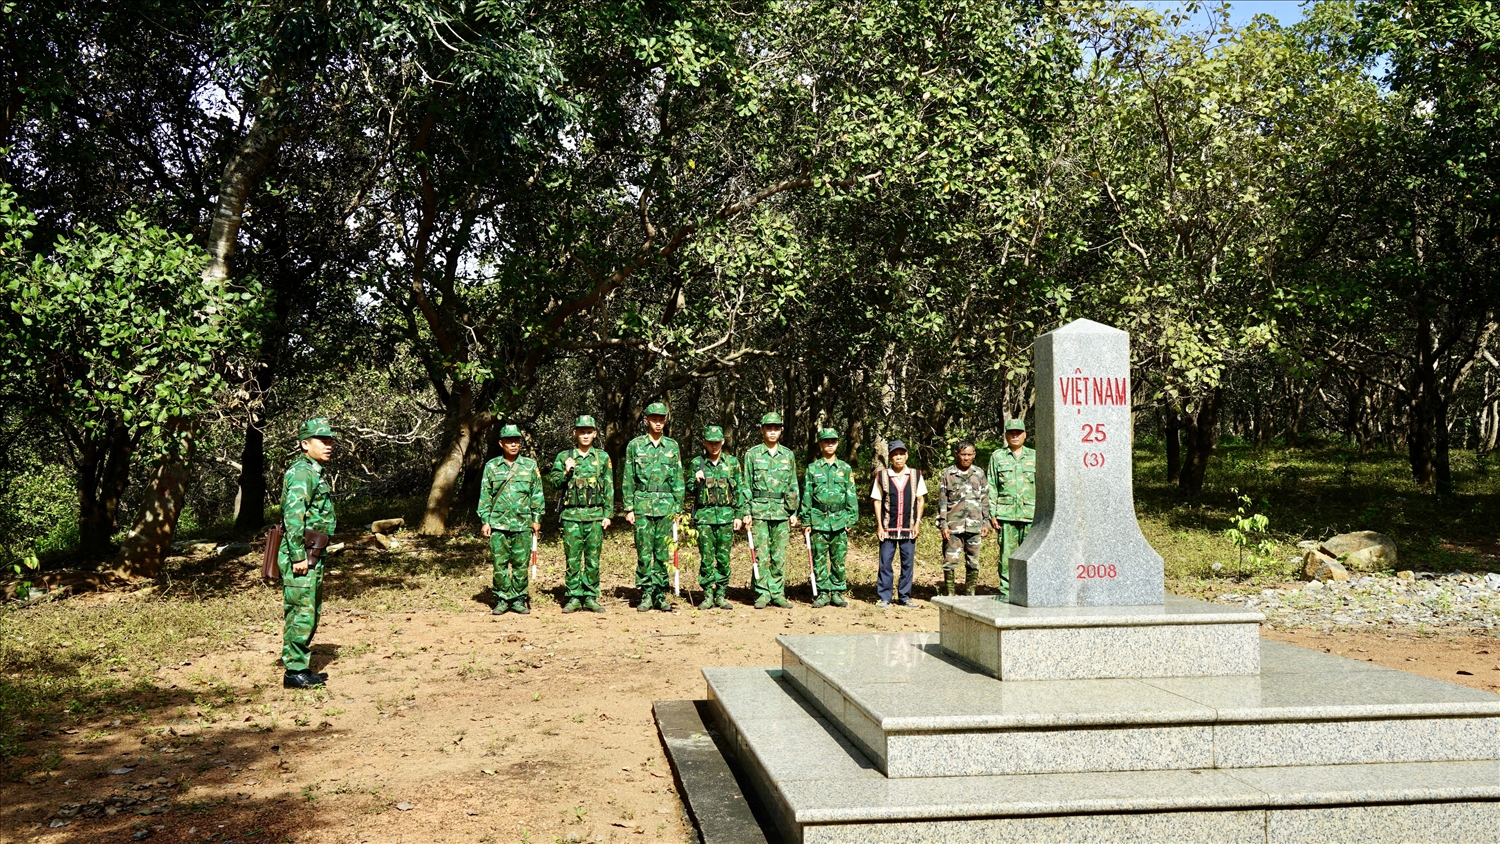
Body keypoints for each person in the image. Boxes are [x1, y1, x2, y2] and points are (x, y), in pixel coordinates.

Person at [278, 417, 338, 689]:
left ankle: (300, 666)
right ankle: (294, 671)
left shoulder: (313, 471)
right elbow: (293, 517)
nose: (328, 445)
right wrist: (298, 555)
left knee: (309, 610)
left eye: (330, 440)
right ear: (305, 444)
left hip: (313, 551)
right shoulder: (302, 472)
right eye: (321, 440)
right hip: (302, 552)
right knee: (301, 611)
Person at [623, 402, 684, 612]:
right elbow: (628, 477)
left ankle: (659, 594)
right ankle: (646, 593)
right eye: (654, 419)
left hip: (665, 505)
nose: (658, 423)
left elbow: (678, 478)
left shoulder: (672, 446)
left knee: (662, 553)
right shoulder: (635, 445)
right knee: (643, 552)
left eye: (661, 419)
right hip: (642, 504)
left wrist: (678, 508)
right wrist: (629, 508)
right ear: (646, 420)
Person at [478, 425, 545, 615]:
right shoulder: (492, 466)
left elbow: (537, 494)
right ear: (501, 443)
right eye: (509, 441)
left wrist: (536, 518)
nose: (513, 444)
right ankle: (501, 598)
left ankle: (518, 598)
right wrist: (485, 520)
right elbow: (486, 496)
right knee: (500, 564)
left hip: (522, 523)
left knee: (520, 563)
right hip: (498, 523)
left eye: (516, 440)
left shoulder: (530, 465)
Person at [550, 415, 613, 613]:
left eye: (589, 432)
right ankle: (574, 596)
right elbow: (554, 482)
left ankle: (591, 595)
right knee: (573, 558)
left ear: (595, 434)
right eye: (581, 432)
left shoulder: (602, 457)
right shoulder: (564, 457)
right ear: (575, 433)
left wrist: (608, 514)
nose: (585, 435)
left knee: (593, 558)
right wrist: (566, 472)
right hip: (572, 516)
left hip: (594, 515)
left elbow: (609, 486)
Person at [742, 412, 800, 609]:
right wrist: (746, 511)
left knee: (779, 555)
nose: (772, 432)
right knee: (761, 554)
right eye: (769, 428)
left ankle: (777, 592)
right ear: (762, 430)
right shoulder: (752, 454)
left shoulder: (788, 455)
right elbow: (746, 484)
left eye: (776, 428)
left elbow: (793, 484)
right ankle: (761, 593)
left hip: (782, 511)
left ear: (781, 431)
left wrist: (793, 512)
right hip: (759, 511)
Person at [686, 425, 744, 610]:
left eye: (717, 442)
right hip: (704, 518)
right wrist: (695, 480)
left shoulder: (732, 463)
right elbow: (687, 488)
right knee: (706, 558)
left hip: (726, 517)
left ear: (723, 441)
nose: (714, 446)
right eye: (710, 443)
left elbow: (740, 490)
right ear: (704, 443)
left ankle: (720, 594)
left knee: (724, 558)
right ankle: (707, 595)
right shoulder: (698, 463)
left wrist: (739, 515)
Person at [799, 428, 858, 607]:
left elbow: (851, 494)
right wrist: (806, 520)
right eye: (826, 441)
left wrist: (851, 518)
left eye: (833, 441)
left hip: (840, 520)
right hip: (818, 519)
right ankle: (823, 592)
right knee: (819, 559)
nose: (829, 444)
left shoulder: (845, 468)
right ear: (820, 444)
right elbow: (807, 495)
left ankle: (838, 591)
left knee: (838, 559)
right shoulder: (812, 468)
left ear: (837, 443)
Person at [872, 440, 925, 607]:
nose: (899, 457)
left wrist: (917, 522)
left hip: (909, 528)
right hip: (888, 528)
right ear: (890, 457)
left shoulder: (916, 475)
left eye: (901, 454)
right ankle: (885, 597)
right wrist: (880, 525)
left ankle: (905, 596)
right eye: (895, 454)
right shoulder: (882, 476)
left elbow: (920, 500)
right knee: (885, 562)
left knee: (907, 563)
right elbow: (877, 501)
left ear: (907, 455)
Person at [988, 419, 1036, 600]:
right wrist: (992, 514)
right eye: (1011, 433)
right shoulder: (998, 457)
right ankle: (1007, 592)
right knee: (1007, 556)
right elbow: (992, 486)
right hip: (1006, 515)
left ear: (1025, 434)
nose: (1015, 436)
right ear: (1006, 435)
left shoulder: (1035, 456)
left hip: (1031, 515)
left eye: (1018, 433)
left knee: (1031, 556)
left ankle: (1030, 591)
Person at [937, 441, 990, 596]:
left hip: (975, 525)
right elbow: (942, 501)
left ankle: (970, 593)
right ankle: (950, 594)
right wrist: (943, 524)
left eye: (969, 455)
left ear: (974, 455)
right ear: (956, 454)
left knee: (973, 562)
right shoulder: (948, 474)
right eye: (963, 454)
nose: (966, 458)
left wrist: (986, 521)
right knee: (950, 561)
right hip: (954, 526)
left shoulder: (979, 474)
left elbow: (985, 499)